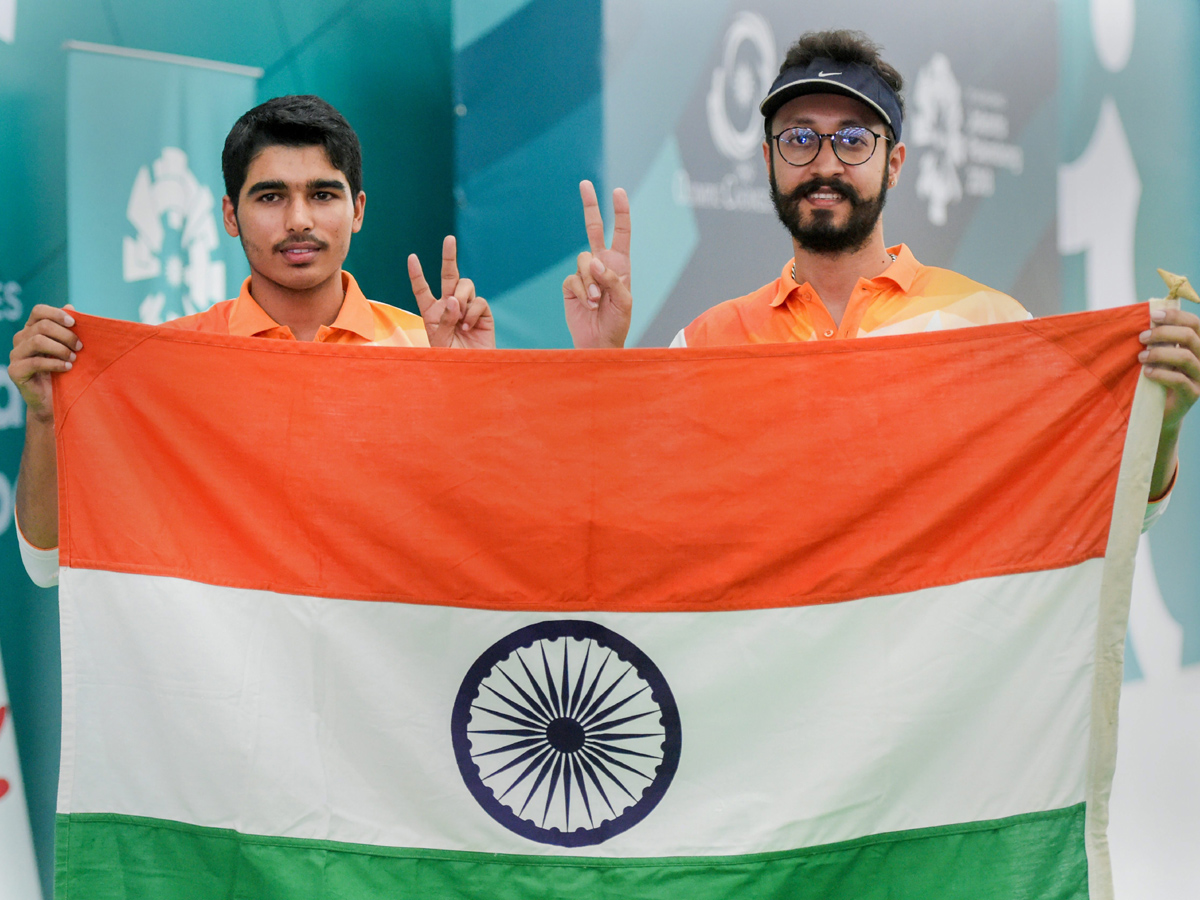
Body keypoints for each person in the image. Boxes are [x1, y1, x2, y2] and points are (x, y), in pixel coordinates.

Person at [563, 28, 1199, 524]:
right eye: (799, 139)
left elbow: (1092, 513)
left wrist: (1164, 425)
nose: (825, 163)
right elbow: (628, 509)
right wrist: (599, 362)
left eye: (852, 139)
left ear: (893, 163)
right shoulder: (705, 343)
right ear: (768, 160)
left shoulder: (992, 327)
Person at [9, 95, 494, 587]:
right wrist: (47, 418)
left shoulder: (432, 351)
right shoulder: (162, 364)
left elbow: (490, 546)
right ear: (229, 215)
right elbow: (48, 565)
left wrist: (471, 393)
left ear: (358, 210)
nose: (299, 220)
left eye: (323, 195)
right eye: (271, 197)